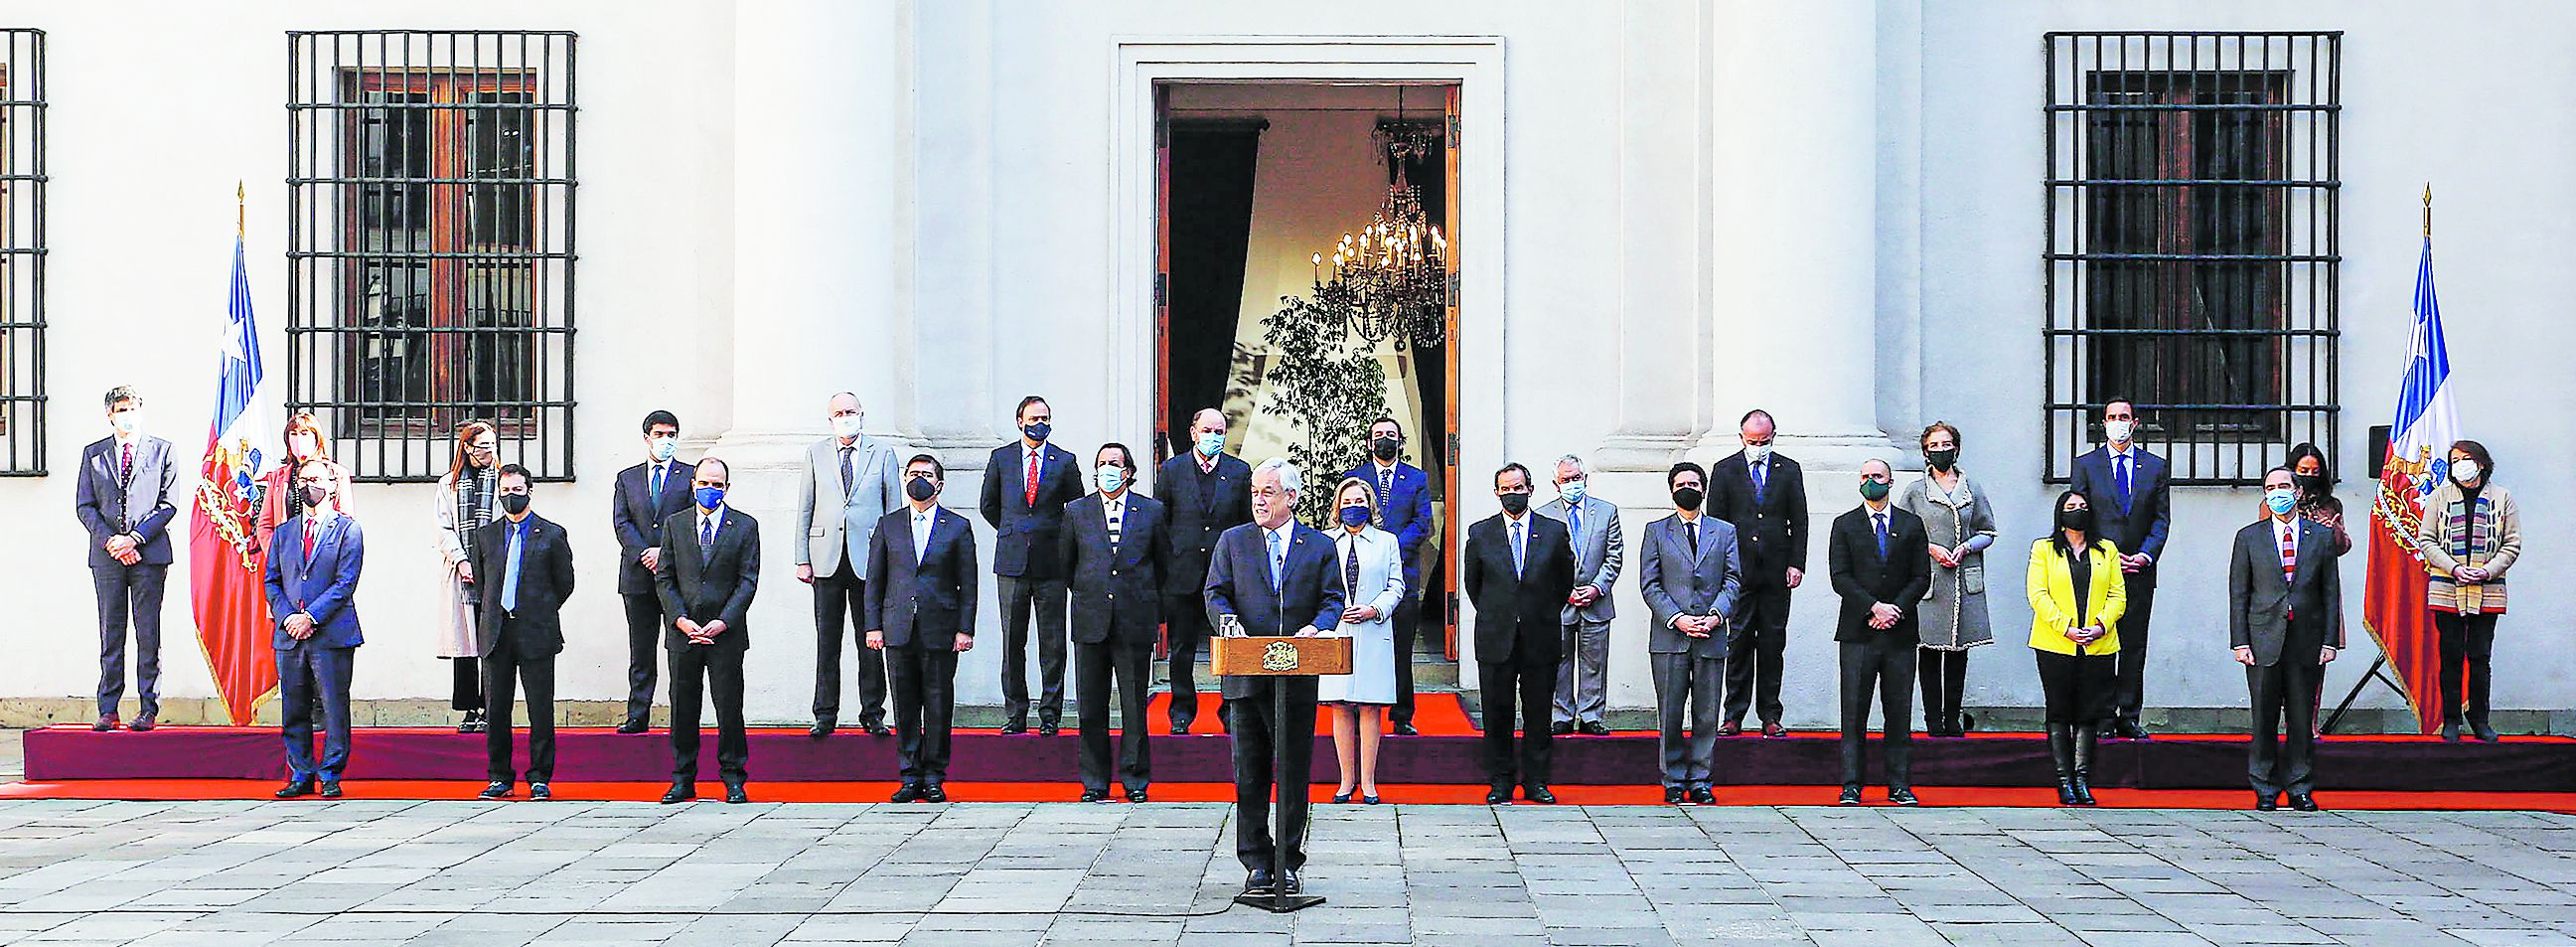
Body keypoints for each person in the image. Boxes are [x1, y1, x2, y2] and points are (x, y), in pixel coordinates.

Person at [1205, 458, 1345, 897]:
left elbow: (1332, 599)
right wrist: (1227, 620)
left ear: (1292, 497)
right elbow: (1216, 592)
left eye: (1268, 492)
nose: (1259, 500)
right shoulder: (1233, 541)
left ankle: (1287, 859)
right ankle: (1256, 861)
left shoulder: (1318, 545)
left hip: (1297, 675)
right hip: (1246, 675)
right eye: (1254, 492)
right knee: (1249, 771)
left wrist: (1317, 628)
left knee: (1292, 770)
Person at [1463, 463, 1578, 805]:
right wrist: (1502, 612)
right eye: (1506, 489)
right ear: (1496, 492)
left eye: (1518, 488)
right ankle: (1500, 780)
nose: (1512, 494)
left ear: (1530, 488)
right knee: (1497, 712)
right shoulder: (1480, 533)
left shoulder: (1554, 531)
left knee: (1539, 712)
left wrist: (1536, 612)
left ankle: (1537, 780)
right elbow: (1474, 586)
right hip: (1495, 637)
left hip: (1539, 635)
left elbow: (1563, 582)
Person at [866, 454, 979, 803]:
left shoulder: (957, 526)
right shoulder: (889, 524)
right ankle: (909, 774)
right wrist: (873, 626)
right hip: (898, 627)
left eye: (926, 475)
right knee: (905, 702)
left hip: (941, 628)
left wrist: (965, 629)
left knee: (939, 702)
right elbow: (875, 580)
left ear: (939, 484)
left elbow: (969, 582)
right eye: (914, 474)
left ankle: (934, 775)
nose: (919, 479)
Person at [1059, 444, 1168, 802]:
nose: (1108, 469)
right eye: (1102, 463)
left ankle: (1135, 780)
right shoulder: (1077, 511)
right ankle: (1094, 781)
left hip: (1134, 619)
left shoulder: (1151, 511)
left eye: (1115, 464)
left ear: (1129, 471)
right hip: (1091, 620)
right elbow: (1067, 565)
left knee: (1135, 705)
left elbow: (1162, 565)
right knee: (1091, 705)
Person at [2231, 466, 2343, 812]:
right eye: (2269, 487)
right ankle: (2264, 787)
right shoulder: (2249, 537)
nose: (2276, 492)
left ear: (2296, 492)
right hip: (2263, 638)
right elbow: (2239, 593)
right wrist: (2240, 642)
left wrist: (2329, 641)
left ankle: (2300, 786)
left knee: (2299, 718)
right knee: (2263, 718)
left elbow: (2330, 593)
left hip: (2305, 639)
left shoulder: (2320, 537)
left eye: (2283, 486)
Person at [656, 457, 761, 805]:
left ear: (727, 488)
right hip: (684, 633)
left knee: (729, 707)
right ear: (693, 484)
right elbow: (665, 577)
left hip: (725, 634)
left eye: (718, 484)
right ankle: (683, 779)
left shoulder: (745, 526)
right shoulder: (675, 524)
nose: (710, 489)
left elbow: (748, 580)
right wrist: (681, 620)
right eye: (704, 483)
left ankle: (733, 778)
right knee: (683, 707)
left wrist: (724, 621)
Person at [1827, 459, 1931, 806]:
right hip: (1859, 632)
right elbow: (1840, 576)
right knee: (1853, 710)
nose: (1870, 481)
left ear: (1891, 482)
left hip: (1899, 633)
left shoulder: (1912, 524)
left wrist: (1893, 610)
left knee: (1898, 711)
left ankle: (1899, 785)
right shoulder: (1845, 524)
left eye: (1877, 477)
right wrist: (1873, 607)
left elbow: (1921, 577)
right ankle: (1851, 784)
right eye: (1865, 476)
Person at [75, 386, 179, 732]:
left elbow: (168, 504)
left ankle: (149, 706)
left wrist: (134, 538)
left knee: (148, 632)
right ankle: (108, 708)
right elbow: (85, 506)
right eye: (121, 409)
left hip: (149, 555)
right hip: (107, 558)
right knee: (111, 631)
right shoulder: (94, 454)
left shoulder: (163, 450)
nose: (127, 415)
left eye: (132, 408)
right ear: (110, 414)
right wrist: (112, 542)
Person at [799, 393, 903, 738]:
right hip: (826, 556)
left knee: (870, 639)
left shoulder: (883, 453)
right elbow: (806, 507)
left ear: (862, 414)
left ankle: (873, 712)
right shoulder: (816, 453)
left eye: (851, 412)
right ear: (830, 419)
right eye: (839, 413)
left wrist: (894, 561)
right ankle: (825, 713)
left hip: (869, 560)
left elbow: (893, 511)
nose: (845, 417)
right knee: (827, 641)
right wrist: (802, 557)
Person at [1637, 462, 1742, 805]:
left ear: (1704, 488)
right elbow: (1650, 584)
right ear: (1671, 490)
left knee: (1707, 712)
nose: (1688, 488)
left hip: (1711, 634)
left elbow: (1733, 580)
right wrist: (1678, 618)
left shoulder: (1724, 531)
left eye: (1694, 483)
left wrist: (1714, 616)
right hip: (1670, 636)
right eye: (1681, 483)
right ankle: (1672, 778)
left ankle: (1700, 778)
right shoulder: (1656, 531)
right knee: (1669, 711)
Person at [980, 395, 1083, 735]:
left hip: (1052, 562)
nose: (1041, 423)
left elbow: (1078, 509)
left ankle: (1050, 712)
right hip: (1011, 562)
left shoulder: (1064, 460)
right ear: (1020, 421)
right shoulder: (1002, 458)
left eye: (1046, 417)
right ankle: (1016, 712)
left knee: (1052, 641)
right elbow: (988, 505)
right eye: (1035, 417)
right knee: (1013, 641)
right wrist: (1014, 532)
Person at [2068, 397, 2171, 740]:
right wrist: (2104, 556)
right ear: (2104, 422)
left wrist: (2145, 556)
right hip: (2100, 569)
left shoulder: (2154, 467)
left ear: (2136, 422)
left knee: (2133, 644)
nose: (2118, 422)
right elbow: (2078, 516)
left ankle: (2128, 714)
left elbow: (2160, 519)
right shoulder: (2086, 465)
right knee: (2099, 641)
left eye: (2123, 417)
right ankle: (2101, 716)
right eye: (2111, 417)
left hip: (2139, 571)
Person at [473, 465, 574, 802]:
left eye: (517, 490)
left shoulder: (552, 534)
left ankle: (540, 776)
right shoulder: (486, 536)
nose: (511, 496)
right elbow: (482, 583)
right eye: (505, 490)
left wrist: (536, 608)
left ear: (530, 491)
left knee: (540, 708)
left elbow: (564, 584)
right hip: (497, 633)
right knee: (497, 708)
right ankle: (500, 776)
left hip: (536, 631)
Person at [263, 460, 364, 799]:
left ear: (332, 486)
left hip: (331, 633)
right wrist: (288, 617)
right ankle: (300, 773)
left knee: (334, 706)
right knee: (294, 707)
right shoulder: (284, 532)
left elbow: (344, 582)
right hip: (289, 635)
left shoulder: (348, 530)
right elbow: (272, 582)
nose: (310, 485)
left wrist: (312, 617)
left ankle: (332, 774)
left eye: (317, 479)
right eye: (304, 480)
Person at [1708, 408, 1808, 737]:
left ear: (1773, 437)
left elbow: (1800, 519)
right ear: (1741, 438)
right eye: (1752, 441)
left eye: (1764, 441)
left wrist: (1797, 563)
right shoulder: (1724, 470)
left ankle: (1770, 713)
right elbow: (1716, 523)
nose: (1758, 446)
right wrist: (1721, 569)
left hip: (1777, 572)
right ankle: (1733, 712)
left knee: (1772, 642)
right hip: (1738, 572)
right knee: (1737, 642)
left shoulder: (1789, 469)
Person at [1895, 422, 1998, 737]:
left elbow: (1987, 531)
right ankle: (1933, 720)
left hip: (1963, 578)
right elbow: (1901, 532)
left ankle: (1953, 716)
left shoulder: (1972, 488)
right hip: (1929, 579)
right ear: (1926, 451)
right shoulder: (1915, 491)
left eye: (1947, 444)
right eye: (1935, 445)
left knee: (1958, 651)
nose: (1941, 450)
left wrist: (1966, 547)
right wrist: (1931, 548)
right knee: (1928, 650)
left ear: (1956, 447)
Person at [2414, 440, 2519, 743]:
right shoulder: (2439, 497)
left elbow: (2512, 542)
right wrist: (2454, 568)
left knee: (2479, 655)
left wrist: (2488, 570)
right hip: (2448, 586)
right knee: (2450, 655)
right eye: (2454, 459)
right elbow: (2427, 540)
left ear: (2482, 463)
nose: (2460, 464)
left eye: (2466, 458)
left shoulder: (2503, 498)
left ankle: (2480, 718)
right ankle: (2451, 719)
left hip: (2488, 587)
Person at [1157, 407, 1254, 734]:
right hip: (1182, 574)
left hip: (1225, 577)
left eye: (1220, 431)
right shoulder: (1171, 471)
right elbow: (1162, 522)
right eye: (1208, 430)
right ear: (1194, 432)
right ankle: (1182, 711)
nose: (1214, 436)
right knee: (1182, 648)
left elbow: (1245, 525)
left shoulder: (1239, 472)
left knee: (1228, 645)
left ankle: (1230, 711)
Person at [2025, 490, 2125, 807]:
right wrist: (2065, 627)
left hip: (2098, 643)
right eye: (2071, 507)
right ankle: (2064, 780)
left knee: (2089, 711)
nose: (2077, 511)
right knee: (2059, 709)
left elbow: (2117, 595)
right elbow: (2037, 594)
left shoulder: (2106, 549)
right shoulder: (2043, 549)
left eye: (2082, 507)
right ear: (2060, 513)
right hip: (2055, 644)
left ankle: (2082, 779)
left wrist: (2099, 626)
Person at [1343, 416, 1433, 735]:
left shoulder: (1416, 479)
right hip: (1359, 579)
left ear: (1399, 441)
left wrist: (1387, 547)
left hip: (1401, 577)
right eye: (1378, 434)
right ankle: (1354, 708)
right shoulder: (1355, 477)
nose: (1384, 439)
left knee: (1399, 649)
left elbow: (1422, 524)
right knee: (1358, 648)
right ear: (1369, 442)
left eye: (1390, 435)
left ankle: (1401, 715)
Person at [1319, 477, 1405, 805]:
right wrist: (1334, 610)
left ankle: (1368, 782)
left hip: (1373, 630)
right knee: (1339, 704)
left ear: (1370, 505)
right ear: (1337, 507)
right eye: (1347, 501)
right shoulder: (1326, 542)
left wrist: (1373, 609)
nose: (1353, 507)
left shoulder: (1387, 542)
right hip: (1337, 630)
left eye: (1360, 501)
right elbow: (1318, 583)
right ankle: (1345, 781)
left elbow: (1397, 586)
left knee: (1370, 705)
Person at [609, 410, 694, 733]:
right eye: (659, 434)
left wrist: (665, 553)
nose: (665, 440)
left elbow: (689, 518)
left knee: (679, 648)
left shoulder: (689, 475)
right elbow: (622, 521)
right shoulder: (627, 478)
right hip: (637, 575)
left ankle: (681, 716)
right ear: (646, 438)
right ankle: (638, 714)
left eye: (671, 434)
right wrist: (645, 552)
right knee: (641, 649)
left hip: (676, 576)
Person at [1537, 454, 1621, 736]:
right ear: (1555, 483)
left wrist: (1596, 588)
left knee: (1595, 662)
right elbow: (1540, 562)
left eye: (1576, 478)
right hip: (1559, 605)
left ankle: (1591, 715)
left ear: (1585, 478)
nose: (1572, 483)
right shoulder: (1544, 515)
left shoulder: (1606, 511)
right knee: (1558, 661)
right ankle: (1561, 714)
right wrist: (1566, 591)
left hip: (1596, 601)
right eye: (1566, 480)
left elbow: (1614, 556)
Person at [434, 420, 502, 734]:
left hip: (493, 571)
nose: (489, 450)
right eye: (483, 445)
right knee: (465, 644)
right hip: (461, 572)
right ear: (468, 448)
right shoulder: (448, 483)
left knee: (491, 641)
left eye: (493, 444)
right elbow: (443, 527)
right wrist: (462, 561)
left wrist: (488, 563)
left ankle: (492, 706)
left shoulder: (502, 480)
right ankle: (469, 709)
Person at [2287, 443, 2351, 557]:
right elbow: (2267, 544)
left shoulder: (2331, 504)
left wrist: (2333, 531)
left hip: (2322, 570)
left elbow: (2342, 547)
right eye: (2303, 471)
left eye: (2315, 471)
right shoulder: (2279, 503)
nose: (2309, 475)